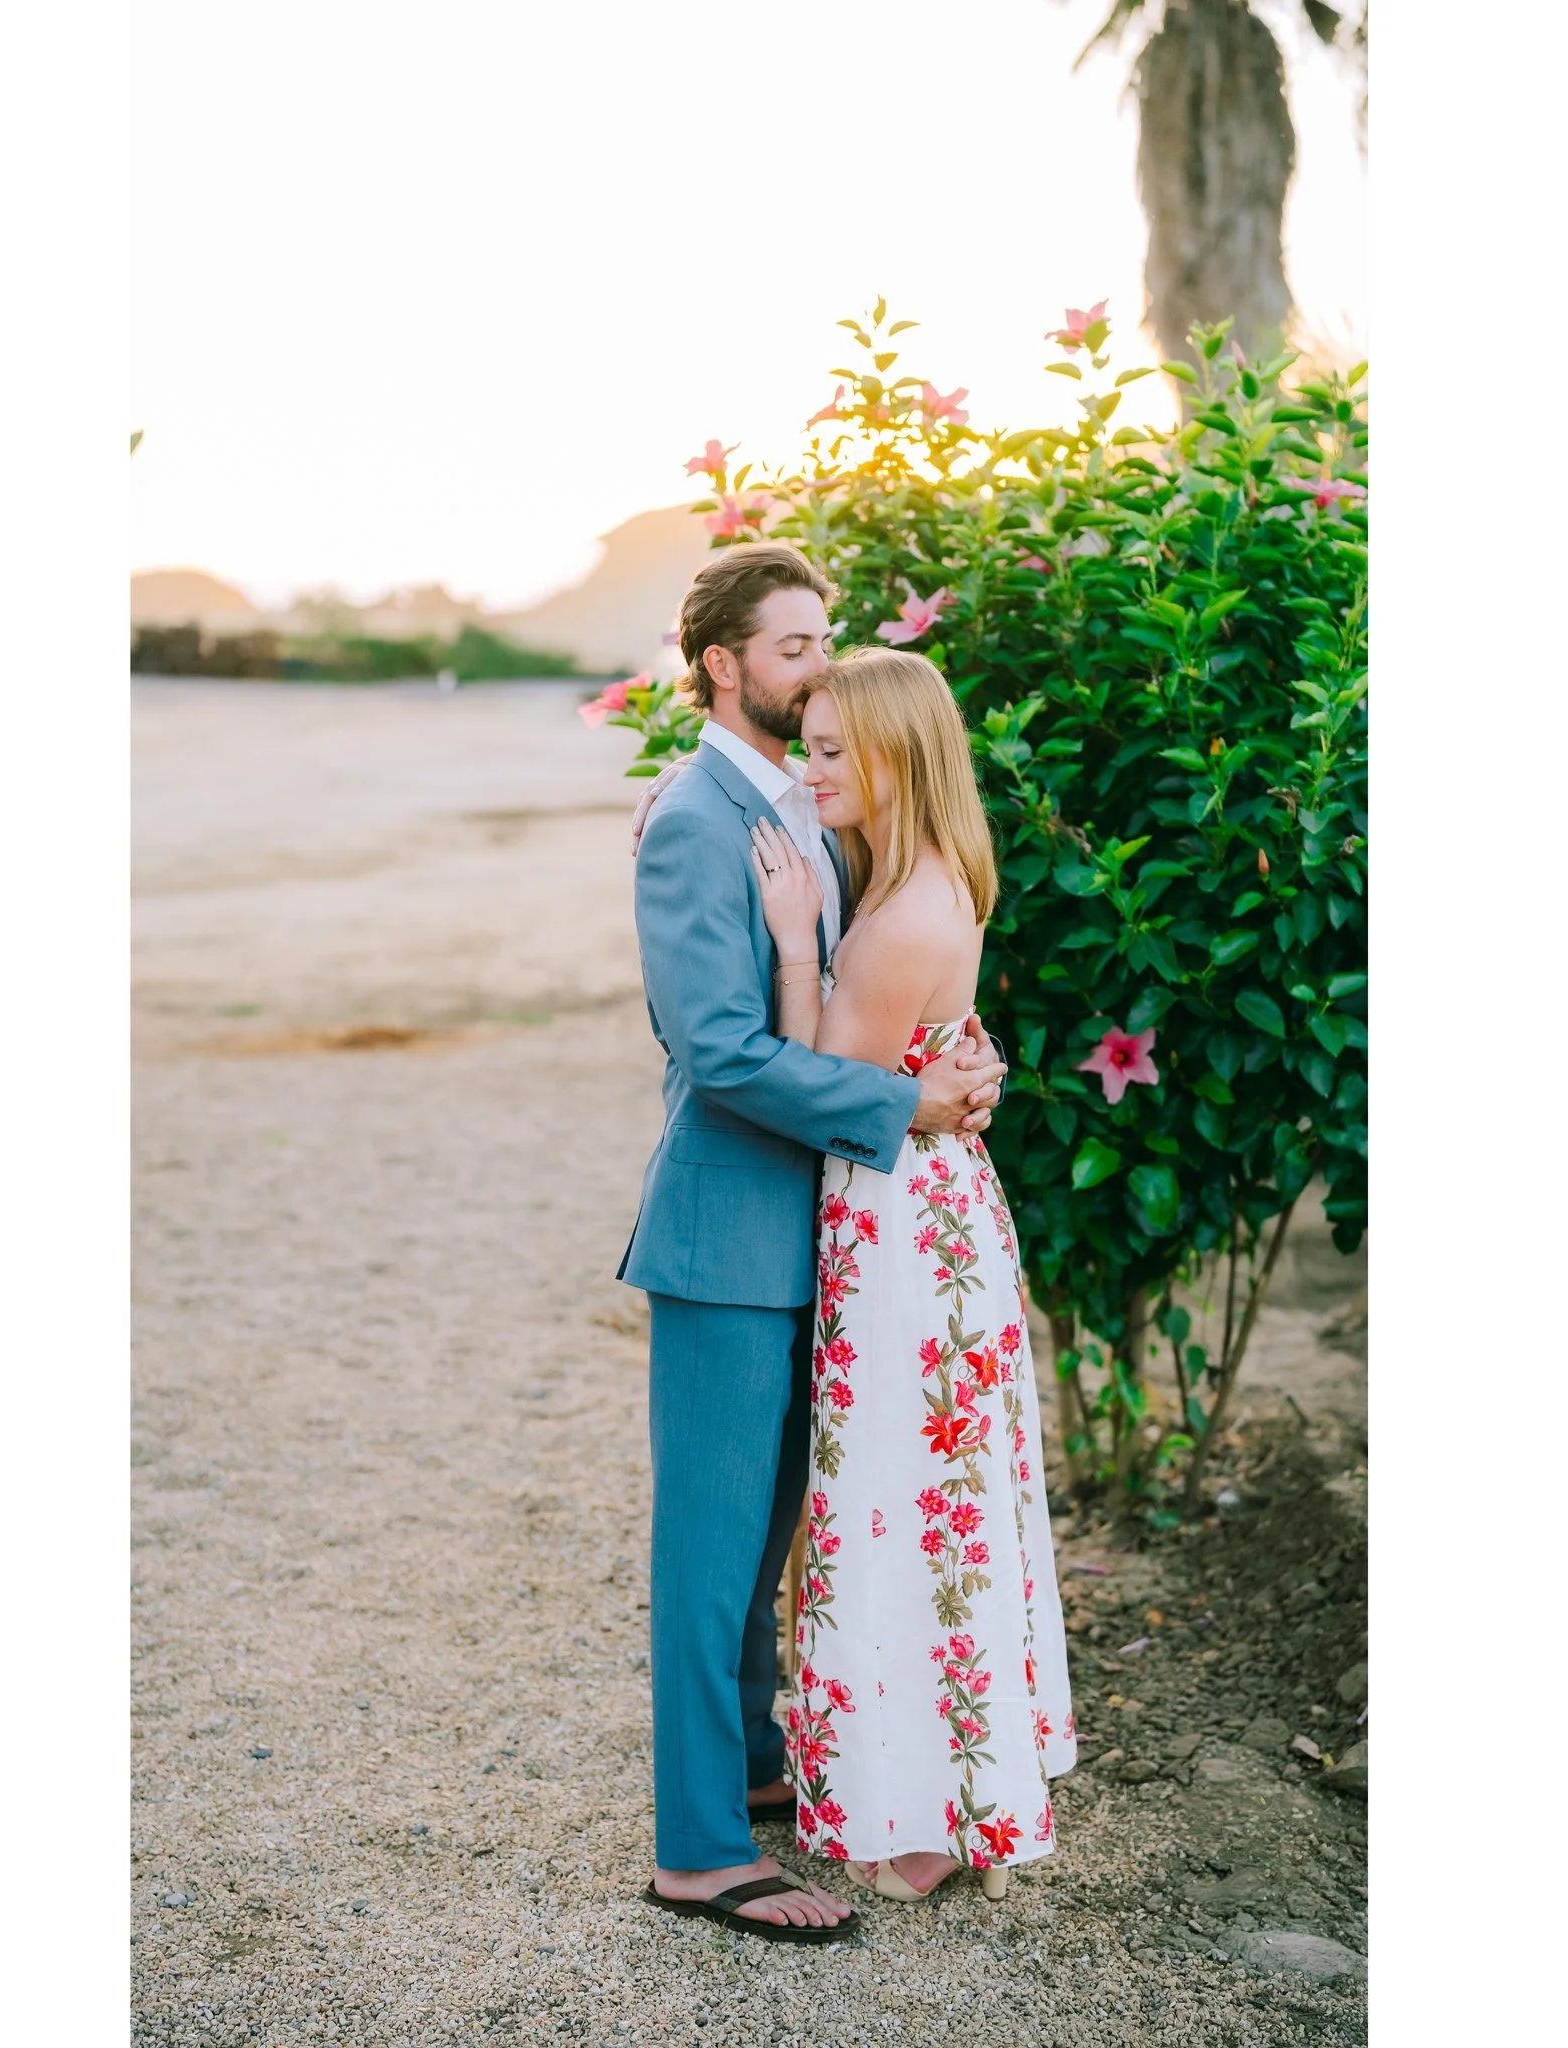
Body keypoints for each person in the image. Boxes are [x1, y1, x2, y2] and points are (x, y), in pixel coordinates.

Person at [620, 542, 1008, 1943]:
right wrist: (905, 1104)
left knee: (775, 1533)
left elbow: (865, 995)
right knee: (709, 1551)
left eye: (822, 639)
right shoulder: (694, 817)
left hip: (830, 1235)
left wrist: (954, 1060)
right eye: (792, 646)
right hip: (729, 1234)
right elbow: (720, 1051)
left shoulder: (809, 804)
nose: (816, 665)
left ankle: (755, 1764)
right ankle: (698, 1851)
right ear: (722, 664)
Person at [748, 645, 1077, 1903]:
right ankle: (969, 1783)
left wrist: (794, 946)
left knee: (901, 1489)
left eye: (836, 751)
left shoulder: (899, 917)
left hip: (897, 1228)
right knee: (944, 1491)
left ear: (897, 754)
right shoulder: (930, 876)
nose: (814, 771)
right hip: (930, 1214)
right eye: (809, 748)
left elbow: (812, 1087)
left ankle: (935, 1811)